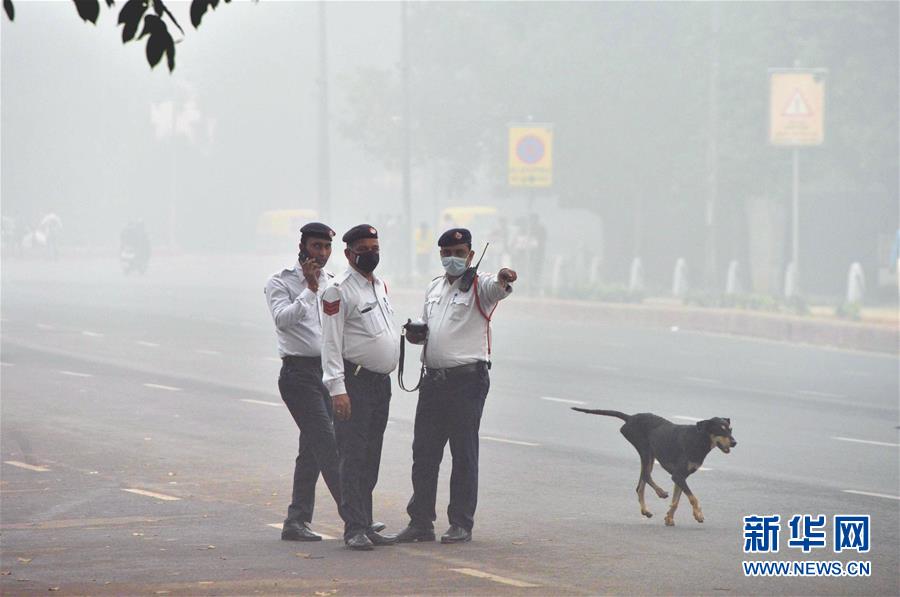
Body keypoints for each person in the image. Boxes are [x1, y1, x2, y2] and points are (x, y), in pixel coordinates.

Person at [396, 227, 517, 544]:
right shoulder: (434, 288)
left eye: (459, 253)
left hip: (466, 381)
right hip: (433, 381)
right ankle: (420, 522)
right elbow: (428, 326)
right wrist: (416, 335)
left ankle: (461, 522)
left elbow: (499, 287)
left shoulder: (480, 286)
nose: (453, 259)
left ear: (471, 255)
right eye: (447, 253)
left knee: (463, 453)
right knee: (424, 453)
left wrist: (505, 277)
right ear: (440, 255)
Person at [264, 222, 353, 542]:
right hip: (297, 375)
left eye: (327, 248)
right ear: (302, 247)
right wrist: (309, 289)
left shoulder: (333, 282)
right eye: (317, 247)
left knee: (312, 449)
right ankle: (356, 518)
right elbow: (283, 320)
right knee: (327, 444)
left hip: (327, 373)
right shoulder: (281, 281)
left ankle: (296, 520)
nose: (323, 254)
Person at [321, 224, 401, 551]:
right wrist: (337, 389)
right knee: (352, 456)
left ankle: (366, 522)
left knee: (371, 456)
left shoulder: (379, 284)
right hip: (354, 383)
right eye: (363, 248)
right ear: (348, 253)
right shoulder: (338, 290)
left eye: (375, 247)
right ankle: (353, 527)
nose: (371, 253)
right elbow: (330, 342)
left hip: (380, 384)